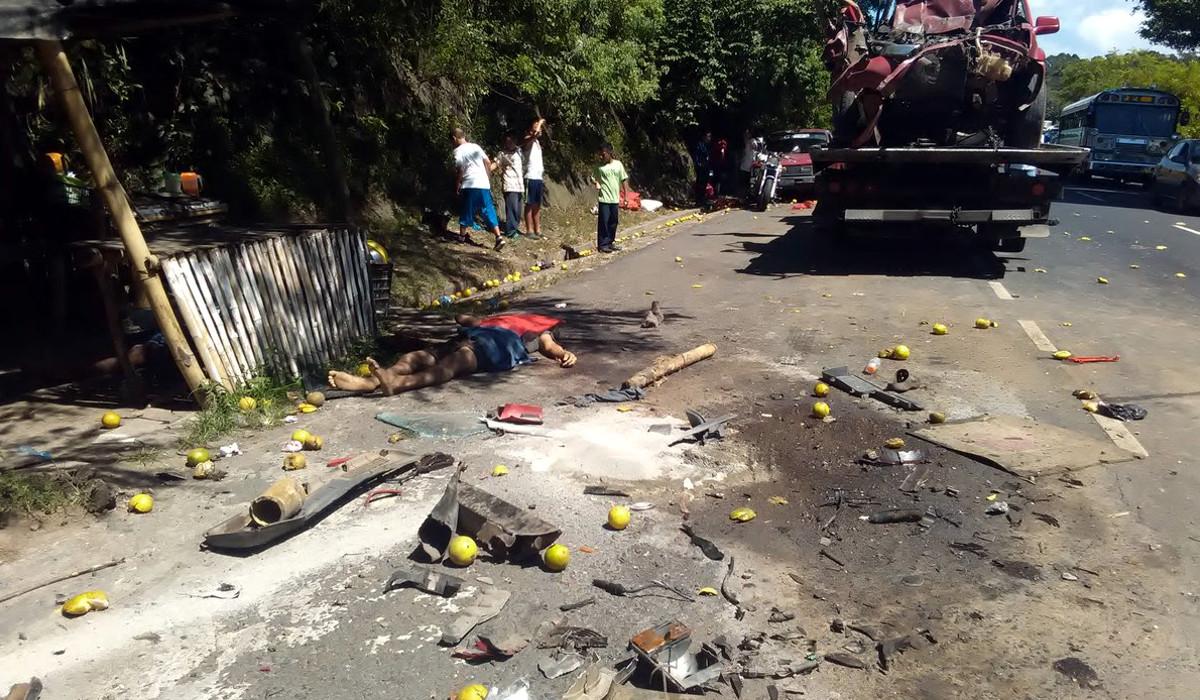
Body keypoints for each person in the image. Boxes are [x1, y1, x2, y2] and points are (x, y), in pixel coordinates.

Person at [326, 313, 576, 396]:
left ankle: (397, 383)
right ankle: (370, 382)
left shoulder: (542, 330)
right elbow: (464, 319)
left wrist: (563, 353)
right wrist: (472, 319)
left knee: (450, 364)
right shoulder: (499, 319)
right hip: (472, 338)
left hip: (492, 347)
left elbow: (549, 346)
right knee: (419, 356)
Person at [452, 128, 505, 250]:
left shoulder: (458, 151)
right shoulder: (476, 147)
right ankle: (498, 237)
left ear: (454, 138)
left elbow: (460, 169)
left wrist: (457, 184)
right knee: (487, 209)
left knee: (466, 208)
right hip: (483, 183)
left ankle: (461, 236)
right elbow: (487, 161)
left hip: (469, 183)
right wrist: (487, 176)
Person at [591, 142, 628, 254]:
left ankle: (610, 242)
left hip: (615, 199)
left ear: (610, 153)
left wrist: (626, 196)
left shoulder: (618, 165)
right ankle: (602, 244)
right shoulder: (598, 166)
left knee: (613, 222)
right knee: (604, 222)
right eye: (600, 155)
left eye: (603, 154)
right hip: (604, 198)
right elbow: (593, 177)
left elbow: (624, 179)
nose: (601, 157)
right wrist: (596, 182)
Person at [495, 133, 526, 240]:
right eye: (507, 142)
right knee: (512, 209)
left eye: (510, 141)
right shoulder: (502, 154)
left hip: (519, 185)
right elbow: (496, 164)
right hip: (509, 184)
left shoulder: (519, 151)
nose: (509, 144)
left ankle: (515, 228)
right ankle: (511, 232)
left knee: (518, 210)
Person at [522, 118, 547, 240]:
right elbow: (535, 135)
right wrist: (541, 123)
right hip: (530, 176)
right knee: (529, 203)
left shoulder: (537, 143)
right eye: (535, 124)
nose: (538, 127)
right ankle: (529, 230)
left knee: (537, 204)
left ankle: (538, 229)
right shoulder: (527, 140)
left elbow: (537, 135)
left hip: (538, 177)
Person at [691, 131, 711, 206]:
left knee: (705, 182)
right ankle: (698, 199)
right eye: (708, 136)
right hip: (701, 166)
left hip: (706, 166)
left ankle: (702, 198)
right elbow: (697, 155)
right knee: (700, 183)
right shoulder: (700, 144)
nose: (709, 138)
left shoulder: (707, 146)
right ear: (704, 137)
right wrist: (698, 163)